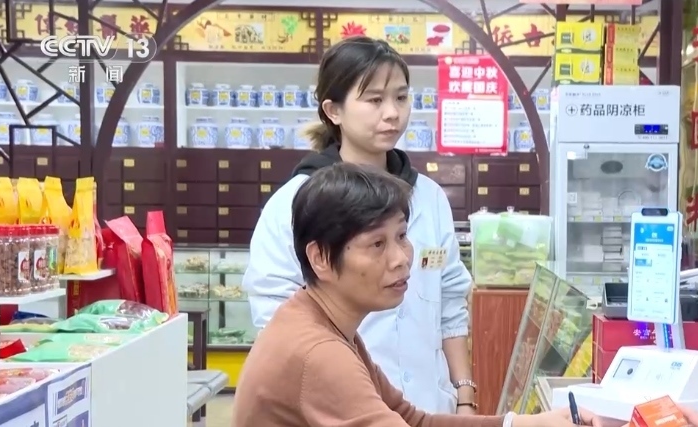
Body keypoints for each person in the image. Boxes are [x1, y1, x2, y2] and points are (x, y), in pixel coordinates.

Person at [232, 163, 608, 427]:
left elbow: (414, 420)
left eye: (401, 236)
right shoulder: (319, 353)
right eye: (377, 244)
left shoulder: (324, 324)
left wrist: (520, 423)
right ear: (319, 258)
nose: (401, 258)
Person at [242, 36, 476, 414]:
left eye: (401, 97)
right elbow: (277, 315)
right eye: (374, 100)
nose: (392, 113)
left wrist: (465, 396)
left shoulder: (430, 198)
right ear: (333, 110)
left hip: (429, 406)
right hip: (339, 407)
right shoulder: (295, 202)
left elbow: (449, 300)